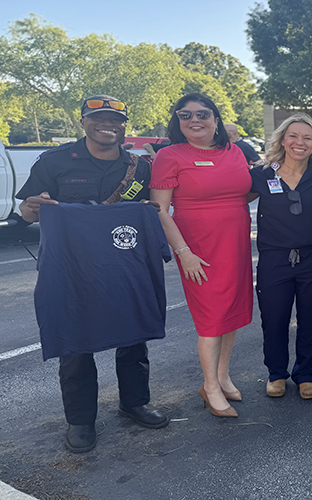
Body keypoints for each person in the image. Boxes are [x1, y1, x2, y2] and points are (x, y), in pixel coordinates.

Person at [16, 95, 169, 453]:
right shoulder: (53, 162)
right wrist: (32, 208)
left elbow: (151, 210)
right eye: (99, 118)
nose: (108, 125)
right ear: (83, 121)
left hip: (123, 266)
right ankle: (80, 419)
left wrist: (146, 212)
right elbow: (26, 212)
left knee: (133, 336)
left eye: (116, 120)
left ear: (124, 126)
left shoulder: (139, 167)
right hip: (71, 270)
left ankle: (134, 402)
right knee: (75, 341)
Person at [150, 93, 253, 418]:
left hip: (235, 245)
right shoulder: (169, 155)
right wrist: (183, 253)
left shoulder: (234, 151)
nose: (194, 120)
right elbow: (160, 211)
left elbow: (244, 192)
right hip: (198, 249)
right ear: (177, 121)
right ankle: (209, 386)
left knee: (232, 312)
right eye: (186, 115)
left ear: (216, 119)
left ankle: (222, 376)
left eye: (202, 114)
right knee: (211, 318)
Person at [248, 114, 312, 400]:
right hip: (275, 259)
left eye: (307, 138)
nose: (300, 142)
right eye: (294, 136)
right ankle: (276, 373)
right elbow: (229, 198)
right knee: (274, 320)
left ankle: (306, 374)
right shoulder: (262, 174)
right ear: (283, 140)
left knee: (311, 319)